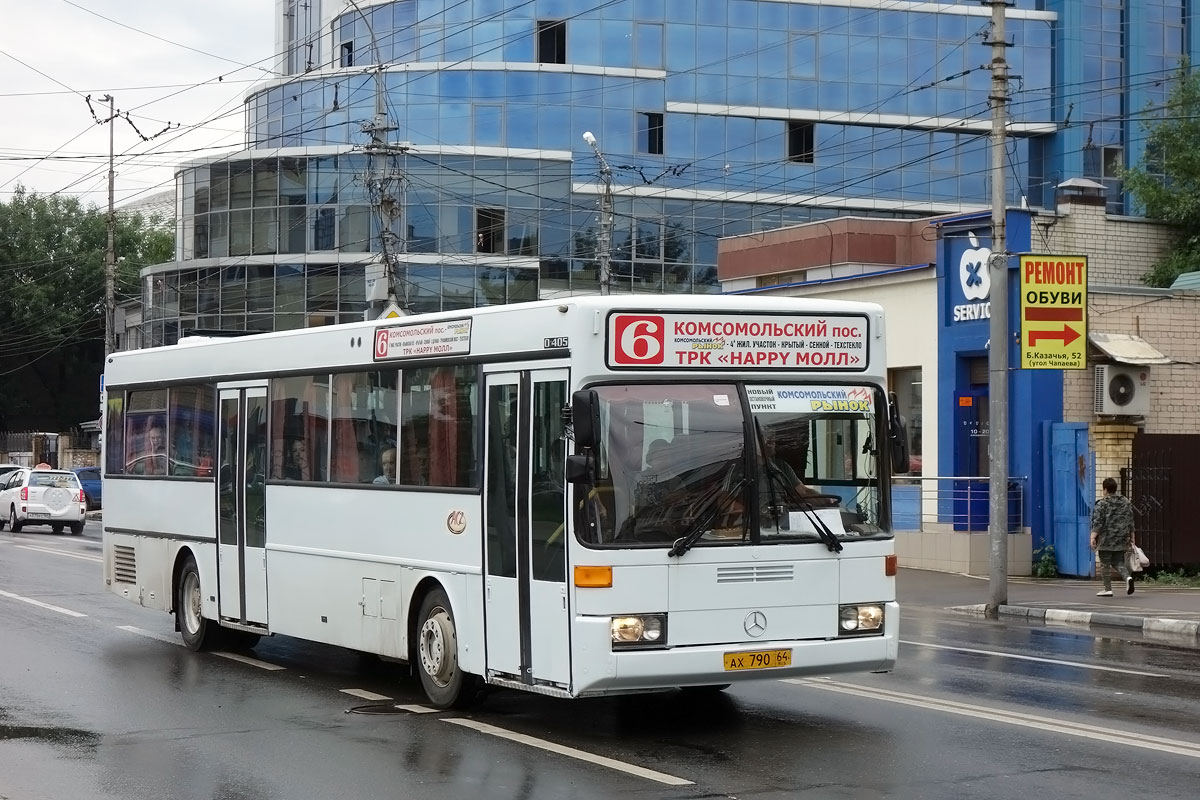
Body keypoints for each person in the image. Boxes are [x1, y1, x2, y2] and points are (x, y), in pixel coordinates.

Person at [1090, 477, 1136, 596]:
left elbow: (1098, 522)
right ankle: (1128, 578)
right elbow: (1131, 520)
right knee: (1118, 562)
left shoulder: (1102, 504)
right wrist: (1132, 536)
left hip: (1106, 538)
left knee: (1105, 563)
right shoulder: (1126, 502)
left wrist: (1093, 537)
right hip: (1121, 537)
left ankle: (1107, 589)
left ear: (1105, 489)